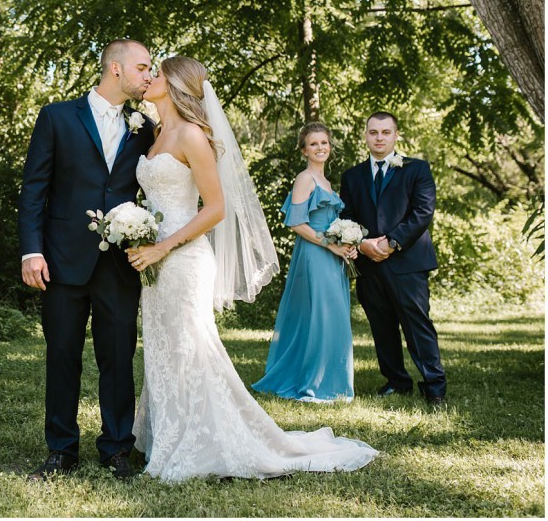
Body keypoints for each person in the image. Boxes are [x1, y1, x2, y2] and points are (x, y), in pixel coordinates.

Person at [126, 56, 377, 483]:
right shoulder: (155, 132)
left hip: (184, 258)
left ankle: (204, 443)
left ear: (174, 84)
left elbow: (217, 209)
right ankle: (167, 436)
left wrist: (163, 245)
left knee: (192, 348)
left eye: (156, 73)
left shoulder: (191, 135)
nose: (147, 78)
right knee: (165, 349)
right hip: (154, 258)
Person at [18, 39, 156, 480]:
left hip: (120, 262)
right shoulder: (57, 116)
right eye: (142, 67)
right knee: (62, 354)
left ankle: (117, 447)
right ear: (115, 69)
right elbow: (34, 188)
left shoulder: (145, 127)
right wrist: (31, 249)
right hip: (61, 258)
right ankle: (61, 449)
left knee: (118, 355)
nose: (148, 75)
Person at [339, 112, 445, 408]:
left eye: (386, 132)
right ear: (366, 135)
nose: (379, 138)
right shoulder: (352, 176)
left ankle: (434, 386)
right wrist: (363, 242)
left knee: (417, 325)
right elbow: (346, 216)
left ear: (396, 135)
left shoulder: (417, 169)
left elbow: (422, 212)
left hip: (408, 263)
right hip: (369, 263)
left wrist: (391, 242)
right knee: (381, 326)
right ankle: (397, 381)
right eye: (373, 132)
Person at [252, 122, 358, 403]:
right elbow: (296, 223)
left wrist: (347, 245)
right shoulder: (305, 179)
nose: (320, 148)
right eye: (313, 144)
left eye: (324, 142)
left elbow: (332, 223)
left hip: (332, 255)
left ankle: (333, 382)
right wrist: (330, 245)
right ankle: (314, 383)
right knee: (320, 317)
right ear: (304, 150)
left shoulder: (326, 182)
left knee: (334, 317)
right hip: (315, 256)